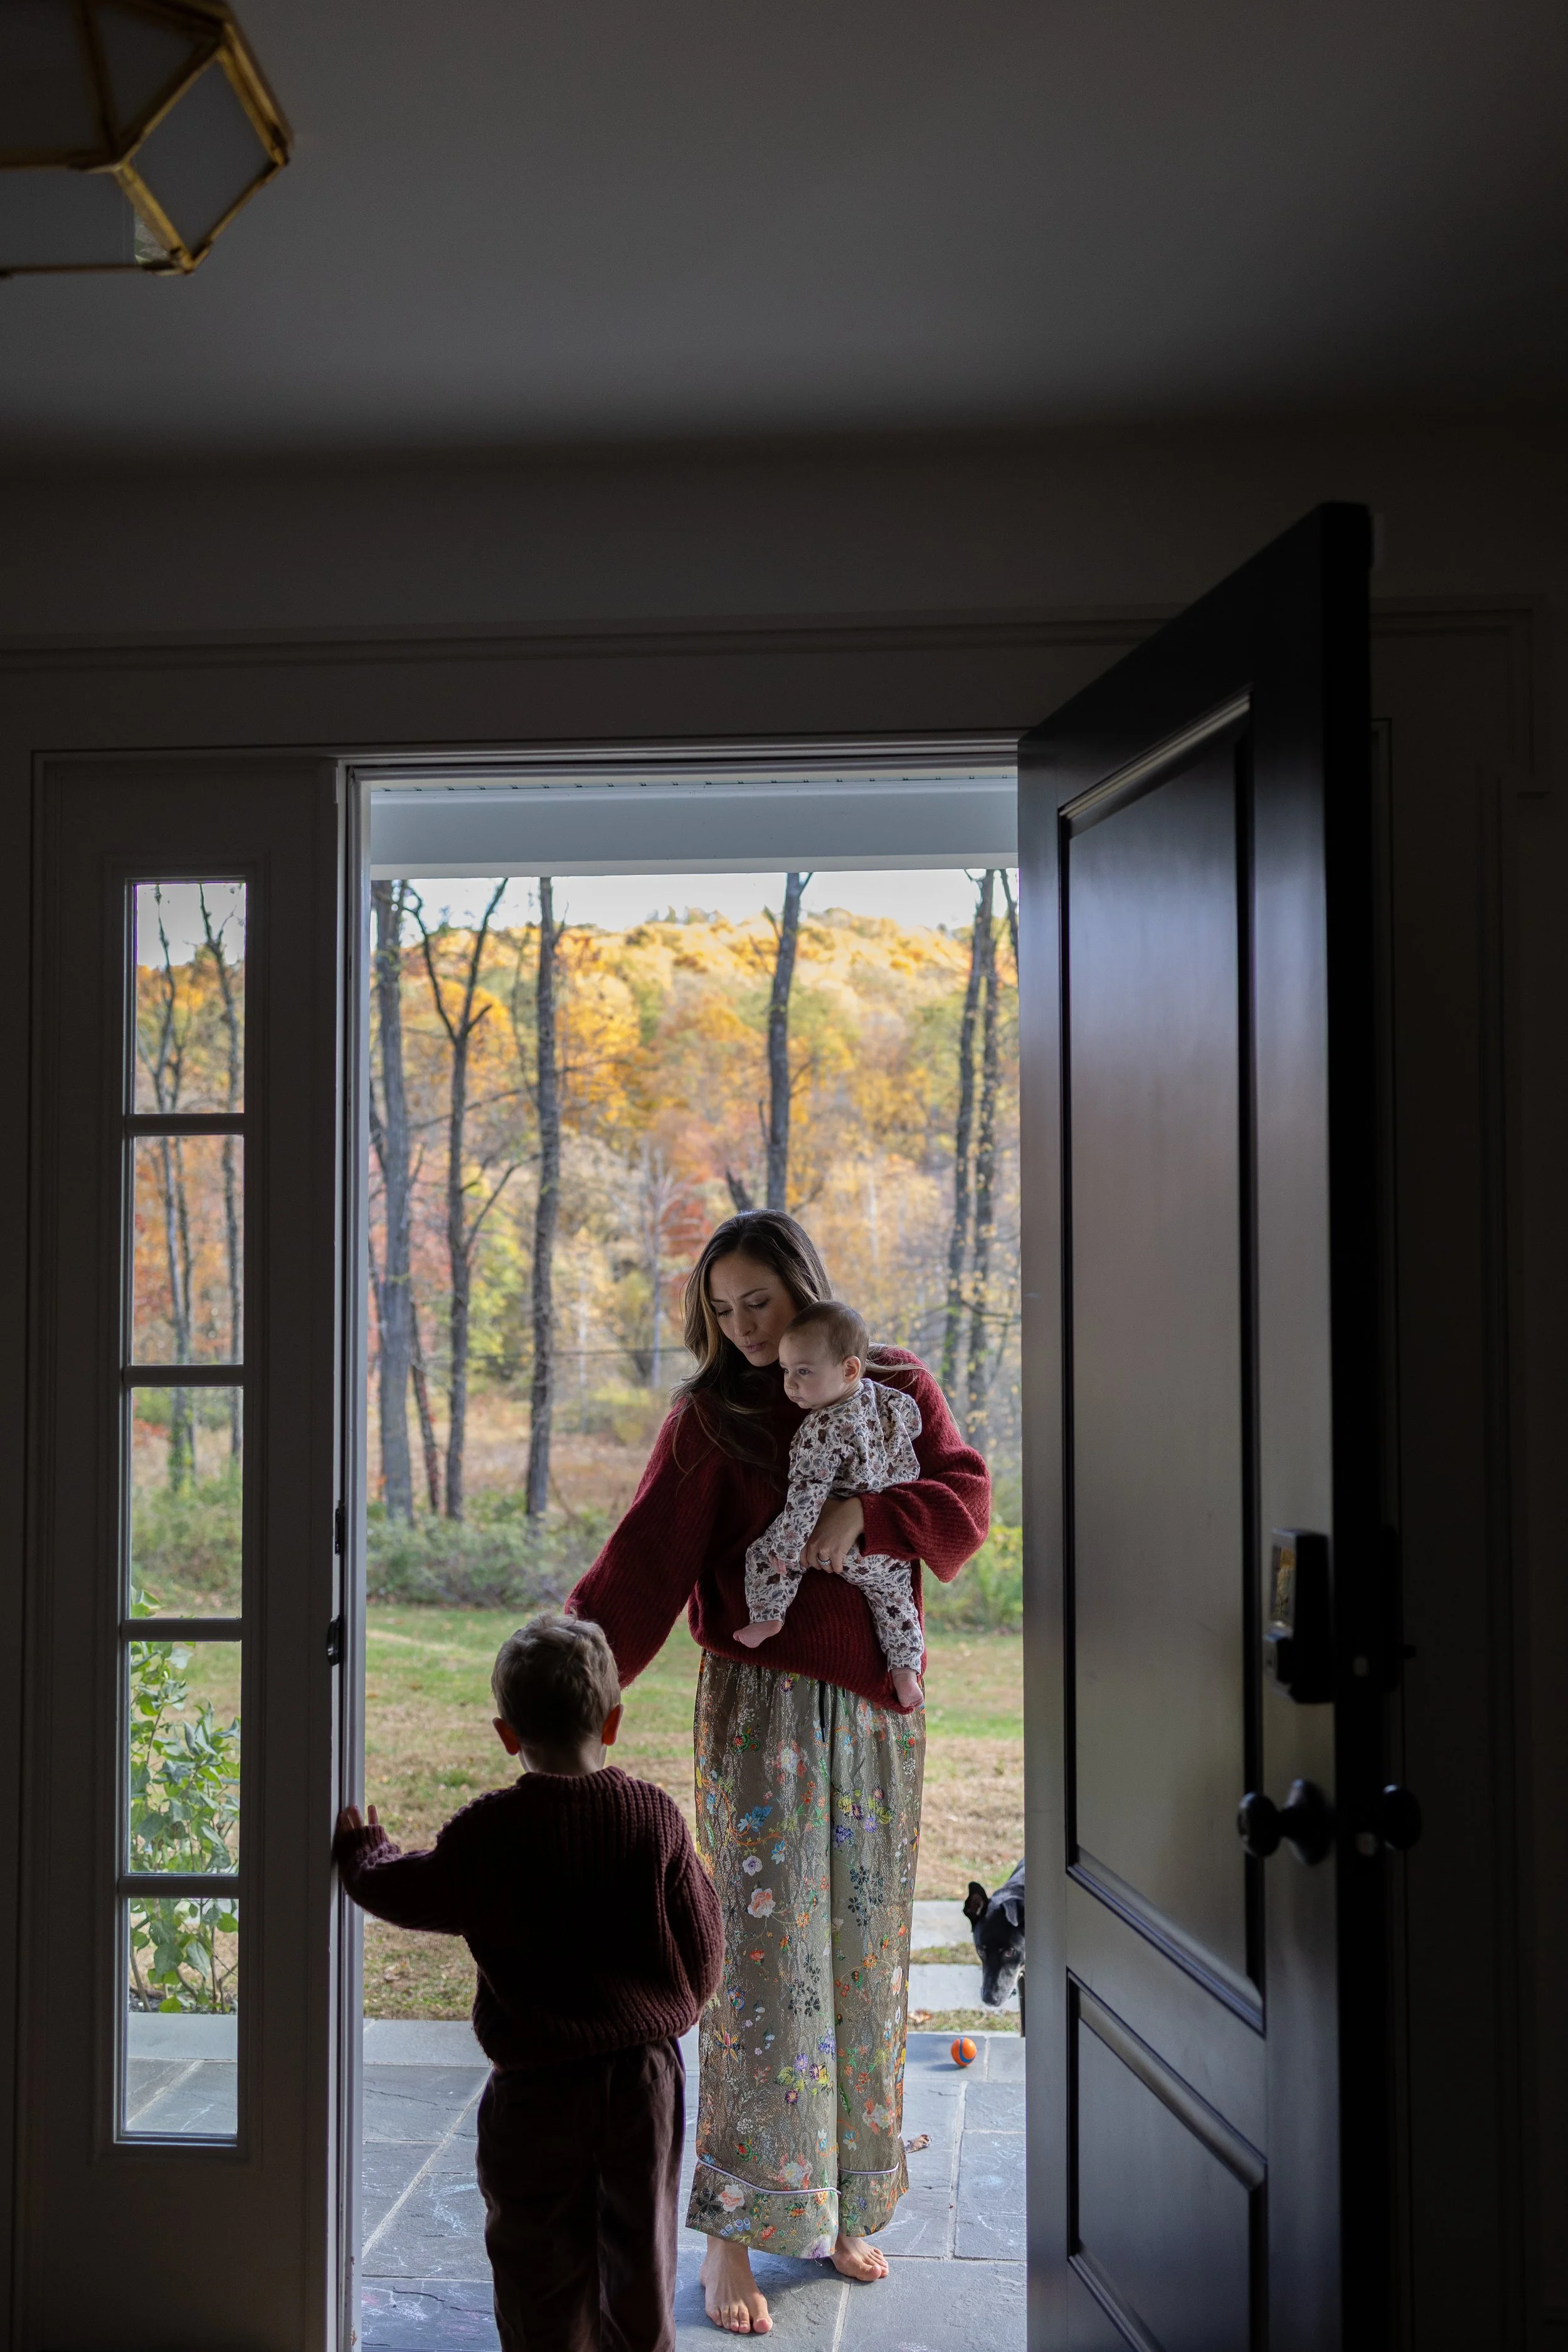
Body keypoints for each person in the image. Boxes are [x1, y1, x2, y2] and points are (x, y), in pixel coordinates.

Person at [567, 1210, 989, 2337]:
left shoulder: (890, 1379)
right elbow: (642, 1564)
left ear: (805, 1288)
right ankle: (732, 2232)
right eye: (723, 1308)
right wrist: (563, 1681)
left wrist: (868, 1512)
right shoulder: (713, 1418)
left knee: (862, 1961)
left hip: (879, 1719)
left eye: (760, 1300)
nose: (745, 1327)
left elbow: (966, 1498)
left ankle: (840, 2204)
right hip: (765, 1719)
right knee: (764, 1969)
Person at [333, 1613, 724, 2352]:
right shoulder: (655, 1819)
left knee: (535, 2259)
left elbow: (408, 1891)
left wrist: (364, 1854)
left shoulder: (489, 1833)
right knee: (639, 2254)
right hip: (641, 2083)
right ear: (613, 1722)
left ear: (507, 1735)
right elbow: (703, 1954)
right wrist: (669, 2005)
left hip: (536, 2087)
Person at [734, 1298, 926, 1710]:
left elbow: (806, 1496)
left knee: (764, 1555)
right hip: (883, 1544)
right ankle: (906, 1671)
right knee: (895, 1600)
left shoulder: (821, 1428)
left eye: (803, 1372)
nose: (790, 1384)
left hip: (833, 1541)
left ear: (850, 1369)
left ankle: (768, 1615)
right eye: (786, 1370)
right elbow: (912, 1420)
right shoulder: (882, 1397)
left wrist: (787, 1547)